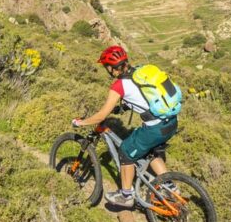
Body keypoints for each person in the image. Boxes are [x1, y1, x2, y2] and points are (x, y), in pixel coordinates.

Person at [73, 44, 178, 208]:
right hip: (171, 122)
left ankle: (126, 195)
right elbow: (143, 97)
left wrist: (80, 122)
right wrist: (122, 107)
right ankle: (170, 186)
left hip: (155, 129)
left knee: (125, 152)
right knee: (150, 151)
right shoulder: (139, 72)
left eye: (106, 67)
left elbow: (101, 116)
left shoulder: (119, 85)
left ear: (111, 68)